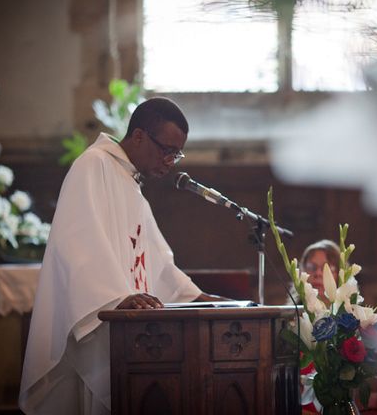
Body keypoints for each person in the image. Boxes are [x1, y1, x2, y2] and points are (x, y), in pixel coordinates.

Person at [19, 97, 226, 415]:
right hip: (105, 323)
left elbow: (155, 259)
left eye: (177, 153)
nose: (171, 161)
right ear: (139, 135)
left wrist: (196, 296)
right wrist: (115, 297)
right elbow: (77, 243)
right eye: (166, 150)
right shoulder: (94, 165)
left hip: (131, 335)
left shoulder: (131, 186)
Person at [299, 239, 340, 304]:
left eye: (326, 268)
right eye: (312, 267)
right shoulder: (290, 312)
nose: (318, 273)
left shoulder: (353, 313)